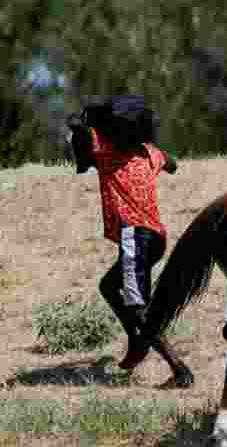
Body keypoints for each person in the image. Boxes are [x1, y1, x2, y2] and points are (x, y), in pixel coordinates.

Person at [69, 109, 183, 373]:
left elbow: (81, 132)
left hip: (135, 236)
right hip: (156, 237)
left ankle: (178, 367)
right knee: (110, 286)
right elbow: (173, 164)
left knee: (138, 307)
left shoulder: (106, 153)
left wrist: (78, 123)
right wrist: (150, 149)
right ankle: (136, 340)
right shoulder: (148, 153)